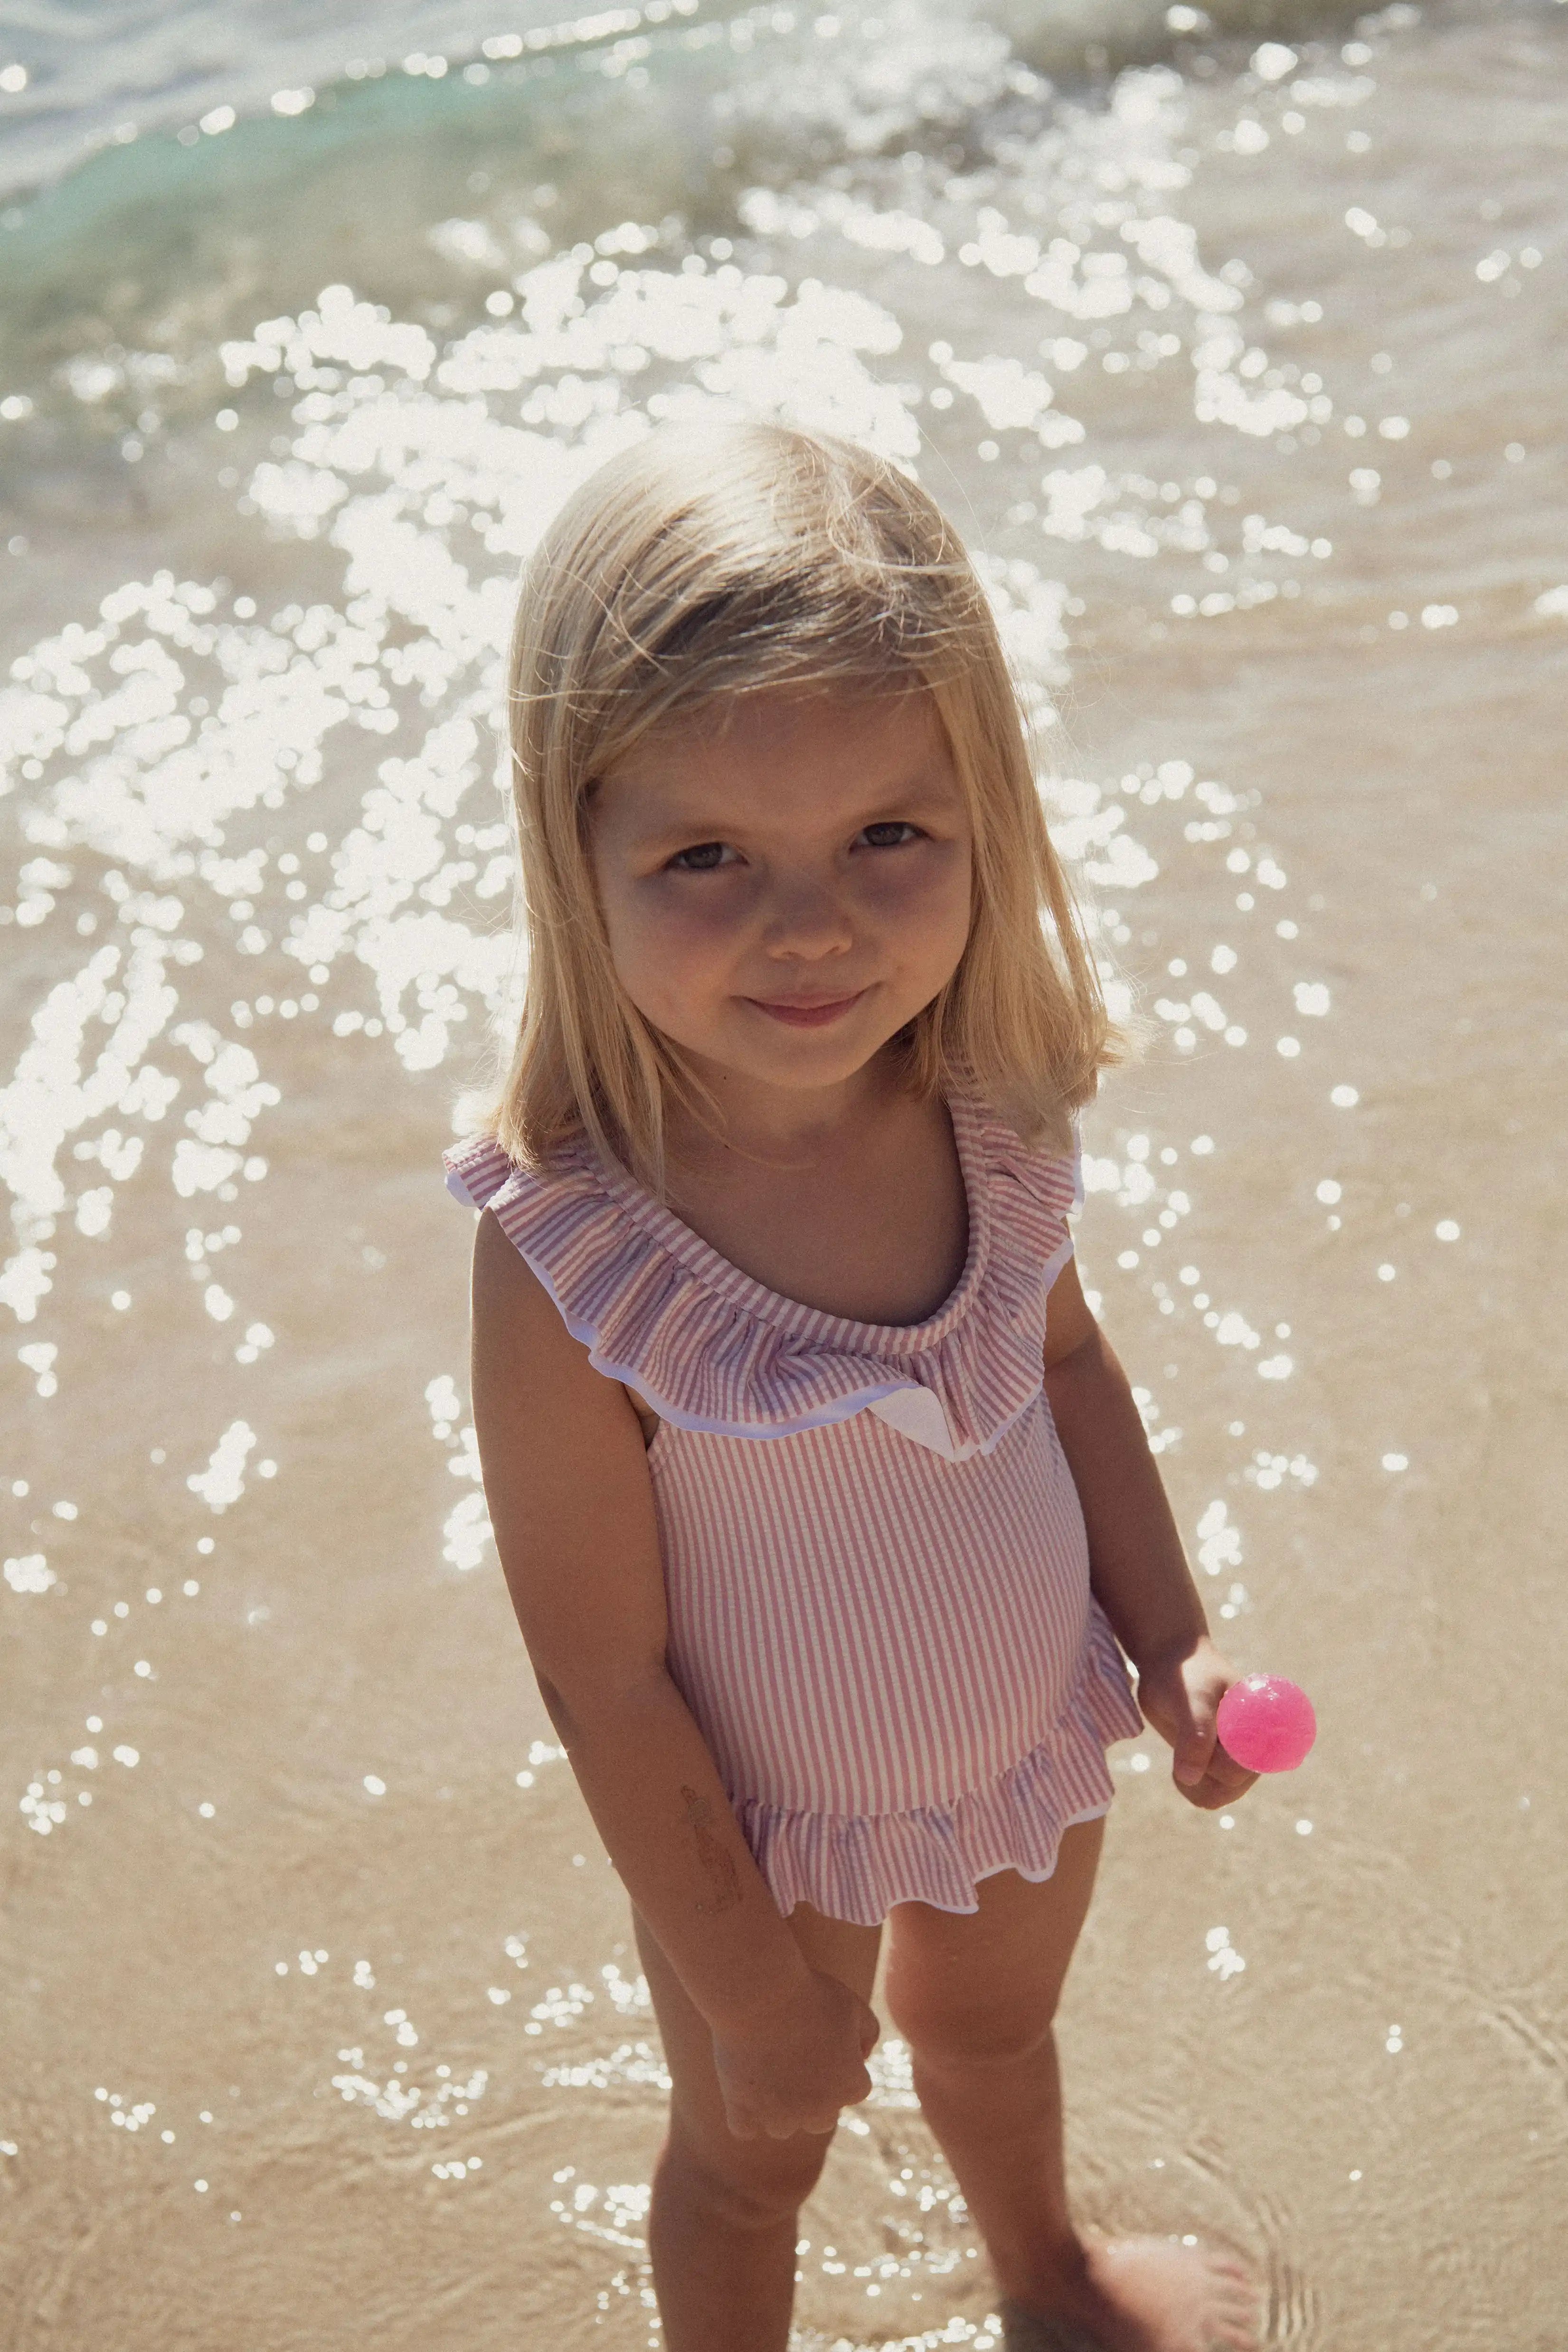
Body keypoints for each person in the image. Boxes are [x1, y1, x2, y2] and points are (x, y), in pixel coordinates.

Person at [447, 416, 1262, 2352]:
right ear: (578, 855)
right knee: (753, 2154)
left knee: (996, 2041)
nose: (809, 925)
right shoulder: (575, 1248)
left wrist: (1169, 1643)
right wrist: (741, 1977)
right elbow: (603, 1670)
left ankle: (1042, 2274)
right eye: (710, 857)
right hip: (761, 1833)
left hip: (1026, 1735)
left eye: (885, 837)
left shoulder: (990, 1103)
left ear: (984, 813)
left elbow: (1059, 1360)